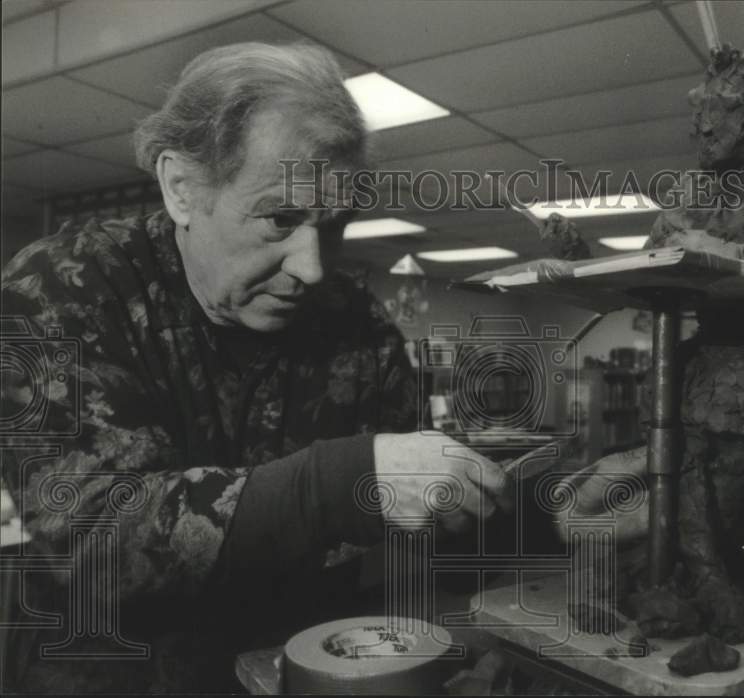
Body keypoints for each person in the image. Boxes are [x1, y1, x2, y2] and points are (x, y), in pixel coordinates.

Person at [0, 42, 519, 693]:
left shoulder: (353, 321)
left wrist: (525, 507)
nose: (313, 267)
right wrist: (329, 486)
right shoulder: (62, 289)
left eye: (334, 226)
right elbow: (83, 540)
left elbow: (420, 514)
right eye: (280, 218)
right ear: (183, 188)